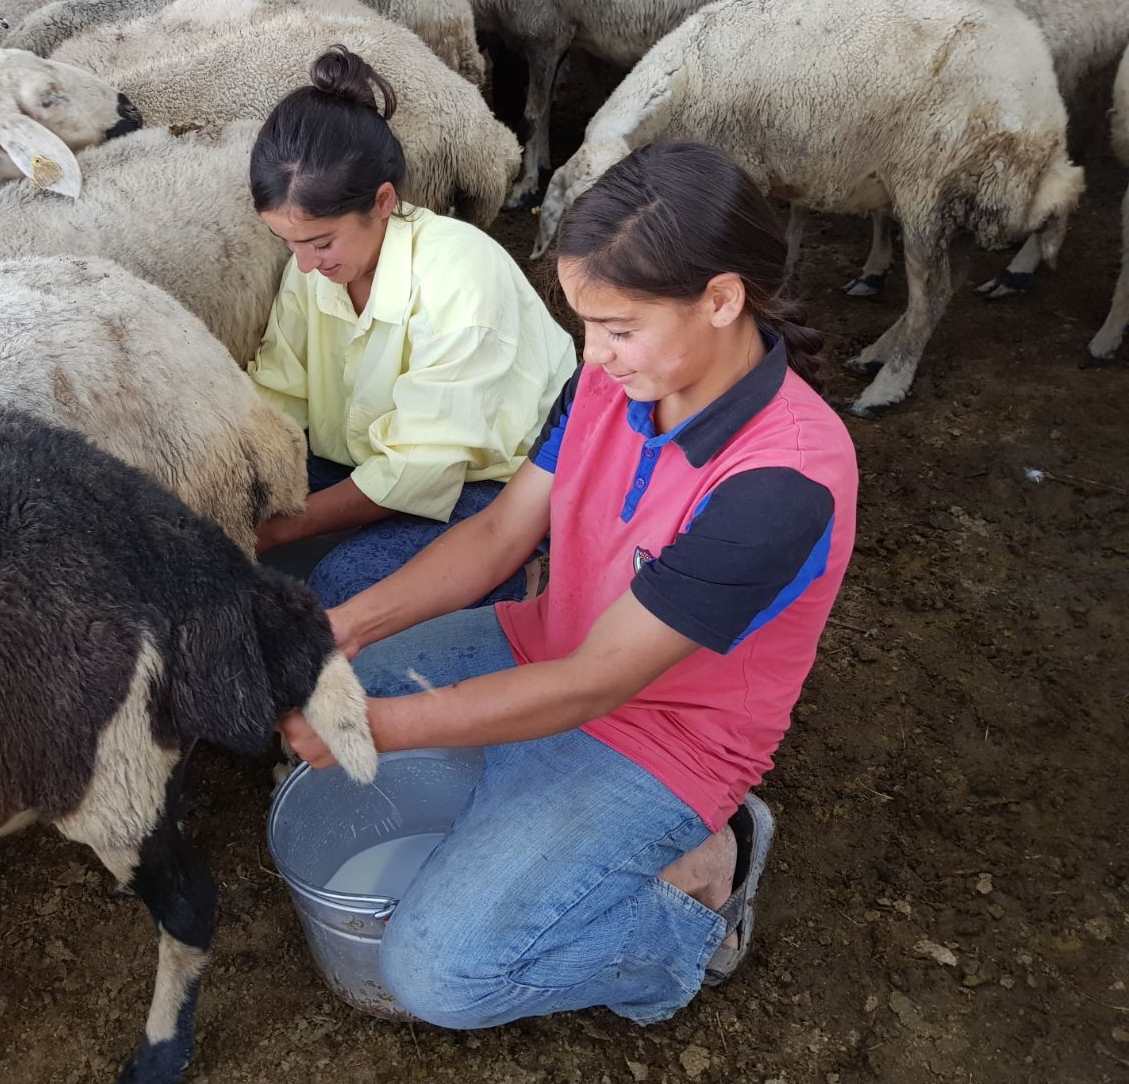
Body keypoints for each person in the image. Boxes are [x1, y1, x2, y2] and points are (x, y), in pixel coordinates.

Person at [278, 142, 859, 1028]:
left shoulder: (781, 482)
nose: (594, 354)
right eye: (585, 324)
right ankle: (522, 805)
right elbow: (502, 531)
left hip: (668, 737)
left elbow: (598, 683)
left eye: (620, 328)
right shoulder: (607, 382)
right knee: (328, 694)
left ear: (722, 300)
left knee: (440, 978)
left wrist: (375, 730)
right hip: (548, 643)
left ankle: (697, 906)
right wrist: (341, 630)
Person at [246, 46, 576, 608]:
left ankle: (534, 571)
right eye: (288, 243)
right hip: (363, 460)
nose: (303, 265)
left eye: (321, 242)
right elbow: (279, 391)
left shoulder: (458, 272)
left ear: (382, 202)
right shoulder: (317, 269)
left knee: (347, 588)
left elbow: (423, 466)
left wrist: (278, 528)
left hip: (494, 485)